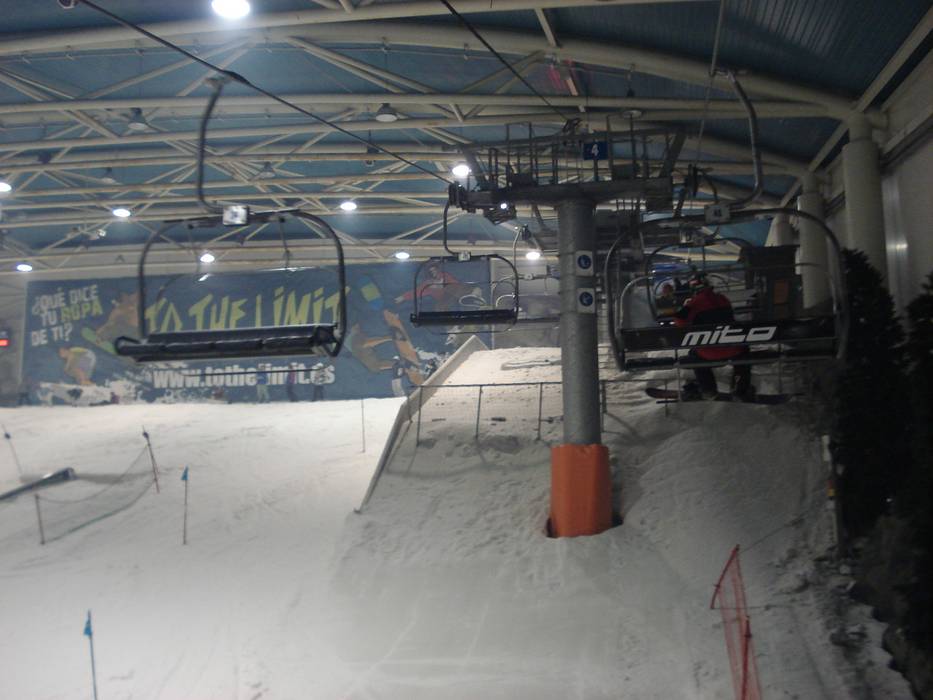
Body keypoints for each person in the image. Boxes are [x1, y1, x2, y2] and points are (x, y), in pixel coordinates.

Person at [673, 272, 753, 401]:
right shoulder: (723, 299)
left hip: (708, 352)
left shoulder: (693, 303)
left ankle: (708, 389)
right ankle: (740, 387)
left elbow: (679, 322)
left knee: (694, 355)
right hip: (732, 348)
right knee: (743, 351)